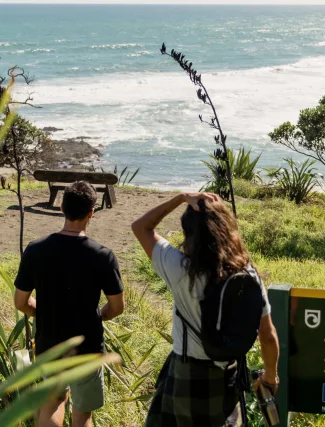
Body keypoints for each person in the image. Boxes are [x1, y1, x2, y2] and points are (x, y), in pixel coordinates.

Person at [132, 192, 280, 427]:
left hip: (186, 373)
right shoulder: (247, 274)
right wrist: (270, 377)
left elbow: (141, 227)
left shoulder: (179, 268)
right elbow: (268, 335)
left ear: (189, 233)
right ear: (227, 229)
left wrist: (180, 198)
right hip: (229, 375)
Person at [14, 181, 125, 427]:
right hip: (88, 346)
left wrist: (44, 314)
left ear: (62, 208)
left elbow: (21, 302)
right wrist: (97, 316)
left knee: (53, 402)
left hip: (49, 343)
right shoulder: (103, 255)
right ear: (91, 213)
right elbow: (117, 307)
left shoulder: (35, 250)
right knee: (83, 413)